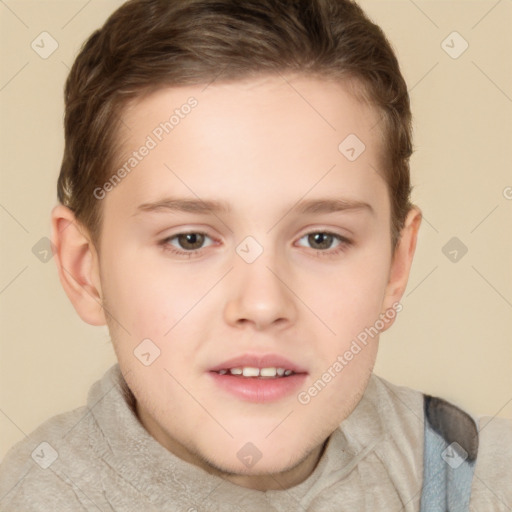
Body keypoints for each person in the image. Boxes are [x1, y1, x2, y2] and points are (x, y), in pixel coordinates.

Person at [0, 0, 510, 510]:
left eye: (321, 239)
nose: (263, 304)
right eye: (190, 240)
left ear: (397, 267)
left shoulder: (479, 479)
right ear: (84, 270)